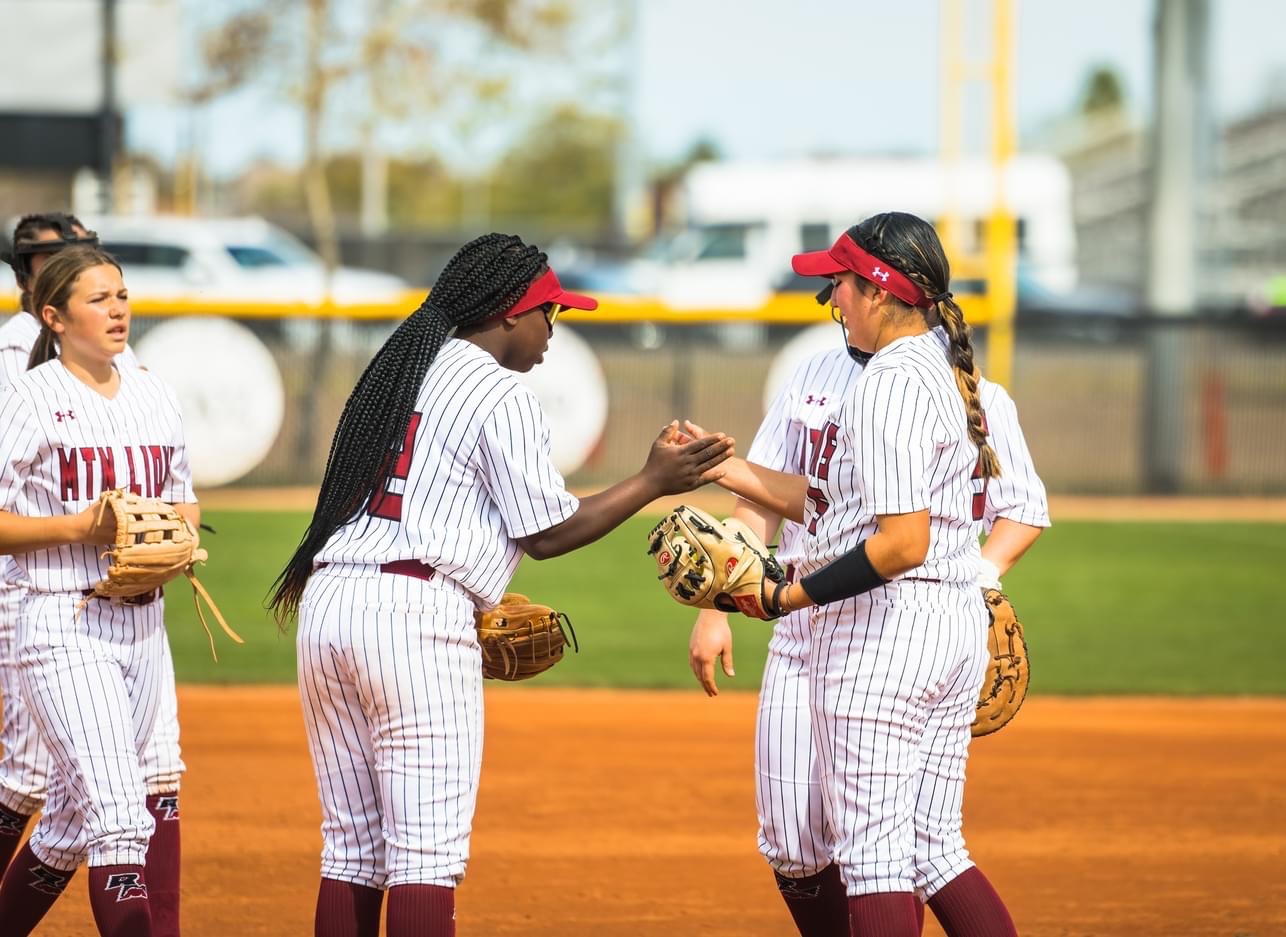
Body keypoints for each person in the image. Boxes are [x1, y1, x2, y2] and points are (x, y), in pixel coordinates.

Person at [268, 232, 734, 937]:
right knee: (425, 856)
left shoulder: (401, 369)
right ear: (512, 311)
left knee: (353, 850)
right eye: (552, 311)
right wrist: (651, 481)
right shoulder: (499, 391)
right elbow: (546, 533)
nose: (555, 327)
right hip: (414, 616)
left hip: (331, 605)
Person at [688, 212, 1026, 937]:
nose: (831, 298)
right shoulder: (939, 372)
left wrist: (789, 593)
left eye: (840, 283)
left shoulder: (886, 384)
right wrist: (720, 469)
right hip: (945, 624)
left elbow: (901, 543)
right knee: (934, 849)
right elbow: (829, 501)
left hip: (881, 631)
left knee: (873, 860)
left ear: (878, 289)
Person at [0, 246, 198, 937]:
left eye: (122, 295)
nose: (117, 310)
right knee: (119, 819)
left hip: (145, 629)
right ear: (53, 317)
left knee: (65, 831)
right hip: (63, 623)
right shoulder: (28, 399)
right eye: (98, 299)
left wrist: (174, 541)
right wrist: (79, 526)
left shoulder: (154, 393)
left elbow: (184, 501)